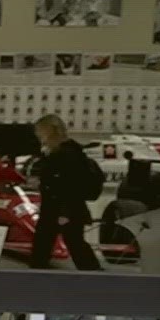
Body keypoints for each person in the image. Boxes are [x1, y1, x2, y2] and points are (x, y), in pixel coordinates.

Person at [28, 115, 102, 271]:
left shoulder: (68, 153)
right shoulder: (59, 152)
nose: (38, 136)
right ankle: (37, 271)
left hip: (63, 209)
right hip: (56, 208)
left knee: (72, 243)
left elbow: (73, 185)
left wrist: (65, 213)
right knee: (58, 243)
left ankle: (93, 273)